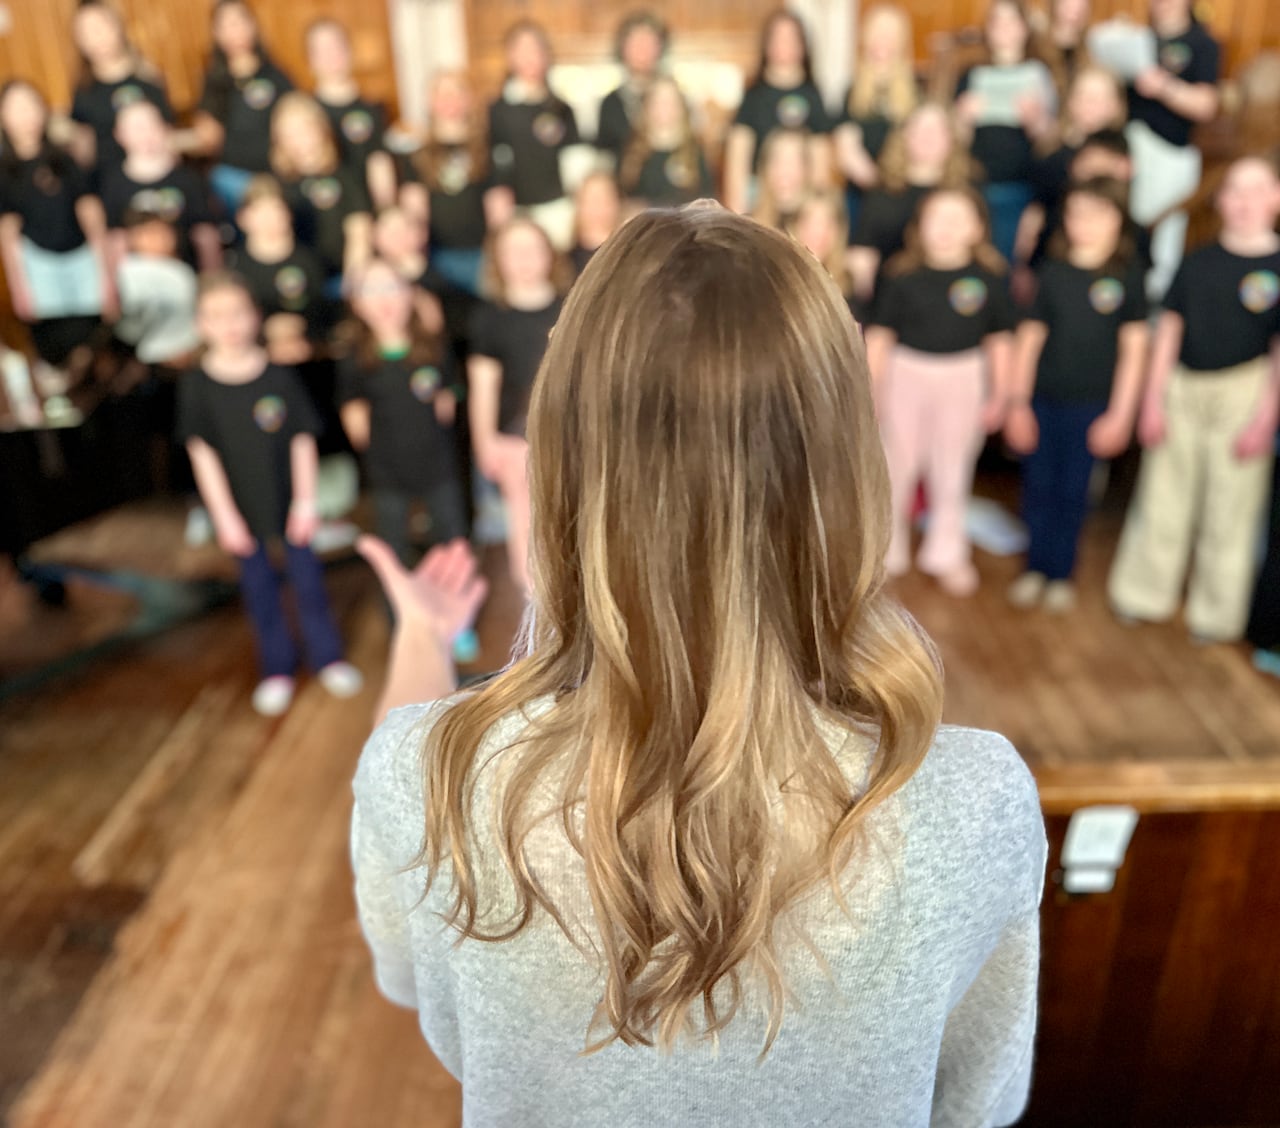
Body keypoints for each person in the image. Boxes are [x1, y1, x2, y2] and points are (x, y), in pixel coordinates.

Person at [350, 204, 1046, 1127]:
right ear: (845, 467)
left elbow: (437, 1012)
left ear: (562, 462)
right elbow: (974, 1103)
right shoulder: (977, 799)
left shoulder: (420, 772)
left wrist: (418, 643)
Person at [1108, 156, 1280, 643]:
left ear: (1276, 198)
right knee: (1163, 495)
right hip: (1184, 384)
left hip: (1245, 388)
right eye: (1235, 192)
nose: (1244, 203)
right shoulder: (1198, 259)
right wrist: (1153, 400)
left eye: (1257, 190)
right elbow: (1170, 332)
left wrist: (1266, 419)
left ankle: (1217, 613)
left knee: (1231, 507)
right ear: (1222, 201)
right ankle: (1143, 593)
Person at [177, 272, 362, 716]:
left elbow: (301, 439)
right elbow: (203, 455)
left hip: (291, 503)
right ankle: (276, 667)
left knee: (309, 582)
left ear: (255, 317)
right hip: (239, 508)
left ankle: (328, 657)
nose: (229, 325)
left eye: (237, 313)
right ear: (201, 324)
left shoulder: (279, 376)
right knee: (259, 588)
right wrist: (224, 516)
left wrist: (304, 501)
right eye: (216, 316)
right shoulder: (197, 385)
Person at [1004, 177, 1149, 612]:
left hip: (1092, 407)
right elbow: (1028, 341)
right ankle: (1035, 567)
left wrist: (1121, 415)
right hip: (1042, 401)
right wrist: (1017, 403)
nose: (1085, 224)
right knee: (1039, 485)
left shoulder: (1129, 276)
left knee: (1074, 492)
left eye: (1098, 214)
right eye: (1076, 213)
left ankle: (1061, 573)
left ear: (1118, 220)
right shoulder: (1052, 272)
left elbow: (1134, 351)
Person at [865, 187, 1015, 596]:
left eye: (958, 218)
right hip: (906, 373)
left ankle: (947, 552)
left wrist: (1002, 395)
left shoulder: (990, 277)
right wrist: (872, 392)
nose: (946, 228)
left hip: (963, 376)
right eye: (937, 217)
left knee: (952, 469)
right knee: (896, 464)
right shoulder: (901, 274)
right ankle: (885, 552)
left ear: (978, 228)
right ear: (919, 226)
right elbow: (879, 337)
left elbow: (1001, 341)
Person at [337, 259, 473, 648]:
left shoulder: (432, 348)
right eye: (371, 290)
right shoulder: (355, 357)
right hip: (387, 472)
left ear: (410, 295)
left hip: (438, 466)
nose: (384, 300)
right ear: (357, 304)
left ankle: (457, 623)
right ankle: (402, 626)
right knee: (393, 550)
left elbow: (446, 405)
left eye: (392, 288)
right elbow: (356, 421)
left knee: (452, 541)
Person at [468, 216, 571, 593]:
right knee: (525, 518)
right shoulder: (490, 318)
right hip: (515, 438)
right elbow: (483, 385)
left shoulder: (571, 307)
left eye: (532, 248)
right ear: (498, 260)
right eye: (513, 251)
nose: (524, 259)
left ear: (549, 254)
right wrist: (484, 443)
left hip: (566, 434)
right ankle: (534, 597)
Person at [0, 79, 113, 367]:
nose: (26, 115)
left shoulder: (64, 158)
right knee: (53, 346)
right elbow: (8, 231)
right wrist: (19, 286)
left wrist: (105, 271)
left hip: (81, 257)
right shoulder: (5, 170)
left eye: (31, 105)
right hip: (38, 263)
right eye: (15, 108)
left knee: (96, 340)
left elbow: (90, 210)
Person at [1125, 0, 1220, 298]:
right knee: (1127, 230)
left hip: (1172, 153)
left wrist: (1164, 87)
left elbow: (1206, 106)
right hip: (1129, 150)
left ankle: (1157, 308)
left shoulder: (1202, 42)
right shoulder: (1137, 40)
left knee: (1165, 238)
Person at [955, 0, 1060, 264]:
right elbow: (957, 140)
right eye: (997, 22)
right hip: (978, 184)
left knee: (1012, 261)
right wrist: (963, 118)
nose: (1003, 29)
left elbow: (1051, 141)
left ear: (1024, 29)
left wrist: (1036, 120)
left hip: (1020, 186)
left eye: (1011, 21)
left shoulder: (1040, 73)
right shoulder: (970, 73)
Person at [848, 101, 978, 310]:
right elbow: (863, 254)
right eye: (919, 129)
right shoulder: (881, 191)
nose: (928, 137)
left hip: (952, 299)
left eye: (937, 130)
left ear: (951, 138)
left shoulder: (968, 188)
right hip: (891, 301)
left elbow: (979, 250)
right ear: (905, 136)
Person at [404, 71, 509, 297]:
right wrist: (418, 260)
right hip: (437, 256)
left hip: (480, 256)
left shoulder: (487, 149)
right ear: (430, 102)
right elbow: (414, 214)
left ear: (468, 99)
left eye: (455, 92)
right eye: (441, 93)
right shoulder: (417, 154)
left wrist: (495, 257)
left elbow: (499, 209)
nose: (448, 100)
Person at [724, 10, 832, 215]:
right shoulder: (753, 96)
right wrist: (738, 216)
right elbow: (738, 160)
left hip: (801, 200)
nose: (784, 44)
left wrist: (816, 211)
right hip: (761, 197)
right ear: (766, 45)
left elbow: (820, 164)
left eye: (791, 38)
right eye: (777, 37)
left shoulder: (813, 95)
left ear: (803, 46)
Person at [193, 0, 295, 217]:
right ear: (216, 33)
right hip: (232, 178)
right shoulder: (213, 80)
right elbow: (207, 136)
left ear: (253, 25)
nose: (235, 31)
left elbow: (294, 119)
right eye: (226, 25)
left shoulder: (275, 75)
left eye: (240, 21)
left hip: (274, 177)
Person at [487, 21, 582, 251]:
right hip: (517, 210)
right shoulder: (499, 110)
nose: (530, 57)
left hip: (558, 209)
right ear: (510, 57)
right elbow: (496, 161)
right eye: (522, 50)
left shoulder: (561, 107)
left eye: (536, 49)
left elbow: (575, 161)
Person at [99, 99, 221, 273]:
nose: (145, 135)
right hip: (140, 282)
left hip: (187, 274)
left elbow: (206, 235)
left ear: (164, 128)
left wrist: (212, 275)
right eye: (137, 129)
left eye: (151, 126)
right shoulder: (113, 183)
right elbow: (116, 239)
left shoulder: (189, 179)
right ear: (120, 135)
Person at [269, 92, 374, 294]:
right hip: (299, 283)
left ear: (322, 129)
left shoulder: (344, 176)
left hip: (340, 279)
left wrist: (351, 286)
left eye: (304, 130)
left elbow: (359, 233)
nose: (298, 140)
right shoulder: (278, 183)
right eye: (288, 134)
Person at [226, 175, 330, 364]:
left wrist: (300, 329)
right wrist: (265, 330)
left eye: (276, 210)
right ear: (243, 218)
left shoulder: (308, 261)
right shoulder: (233, 267)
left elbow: (322, 313)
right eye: (261, 212)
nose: (271, 220)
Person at [66, 0, 177, 177]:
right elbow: (83, 153)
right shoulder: (83, 90)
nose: (96, 37)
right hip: (109, 184)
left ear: (117, 26)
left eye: (100, 27)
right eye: (85, 32)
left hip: (154, 179)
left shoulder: (148, 77)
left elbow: (169, 137)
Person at [304, 17, 398, 212]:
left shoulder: (372, 109)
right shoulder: (304, 111)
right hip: (323, 216)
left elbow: (379, 166)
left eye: (336, 45)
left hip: (365, 209)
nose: (331, 55)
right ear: (310, 59)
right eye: (321, 49)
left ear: (349, 51)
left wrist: (387, 211)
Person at [833, 4, 919, 199]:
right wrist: (875, 184)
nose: (883, 41)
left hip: (905, 191)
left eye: (890, 34)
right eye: (877, 33)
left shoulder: (917, 92)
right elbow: (846, 147)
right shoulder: (852, 91)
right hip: (861, 194)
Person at [618, 75, 714, 207]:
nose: (663, 108)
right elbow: (624, 201)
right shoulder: (632, 153)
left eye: (670, 101)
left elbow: (708, 203)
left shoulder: (695, 152)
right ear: (647, 107)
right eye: (658, 101)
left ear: (681, 107)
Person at [596, 11, 669, 169]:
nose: (642, 50)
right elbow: (603, 162)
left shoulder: (674, 99)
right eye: (635, 42)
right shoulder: (610, 104)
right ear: (622, 48)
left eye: (649, 42)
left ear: (660, 48)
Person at [750, 128, 812, 232]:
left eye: (793, 162)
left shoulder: (820, 226)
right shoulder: (750, 226)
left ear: (808, 168)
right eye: (776, 160)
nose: (784, 170)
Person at [569, 171, 624, 275]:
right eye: (591, 199)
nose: (599, 206)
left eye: (605, 199)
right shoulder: (566, 263)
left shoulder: (630, 255)